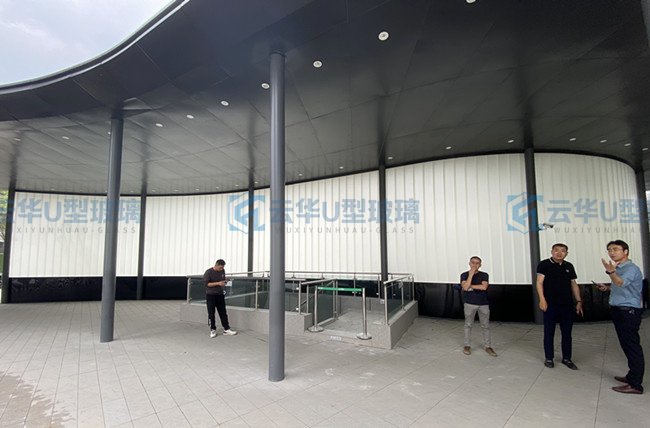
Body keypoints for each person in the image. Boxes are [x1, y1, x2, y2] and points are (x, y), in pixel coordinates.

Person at [596, 240, 644, 394]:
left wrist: (611, 273)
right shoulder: (620, 268)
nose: (611, 253)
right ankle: (631, 376)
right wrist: (607, 287)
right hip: (620, 310)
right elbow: (620, 286)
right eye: (609, 250)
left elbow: (621, 283)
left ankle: (636, 385)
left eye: (615, 249)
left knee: (632, 347)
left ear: (626, 251)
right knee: (626, 345)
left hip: (628, 311)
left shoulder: (630, 268)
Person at [536, 243, 583, 369]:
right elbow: (539, 283)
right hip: (550, 304)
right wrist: (542, 300)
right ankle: (549, 358)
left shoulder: (569, 266)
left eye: (563, 251)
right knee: (549, 331)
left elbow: (573, 284)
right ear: (552, 252)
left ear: (566, 253)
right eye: (556, 250)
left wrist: (579, 301)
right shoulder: (544, 264)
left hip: (567, 305)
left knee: (567, 333)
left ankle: (567, 358)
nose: (559, 253)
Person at [460, 256, 497, 357]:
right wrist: (471, 275)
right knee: (468, 324)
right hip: (469, 303)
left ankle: (488, 346)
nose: (474, 265)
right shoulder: (464, 275)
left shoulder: (484, 275)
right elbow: (465, 287)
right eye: (473, 262)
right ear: (469, 263)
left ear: (480, 265)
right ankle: (467, 345)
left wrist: (470, 286)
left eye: (477, 263)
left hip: (483, 304)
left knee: (485, 325)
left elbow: (484, 287)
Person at [203, 259, 237, 338]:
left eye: (222, 268)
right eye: (220, 267)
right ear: (216, 265)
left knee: (223, 312)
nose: (221, 269)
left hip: (220, 294)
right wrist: (218, 283)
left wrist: (224, 283)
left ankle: (226, 328)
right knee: (211, 313)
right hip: (211, 295)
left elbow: (222, 279)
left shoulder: (222, 271)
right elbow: (207, 284)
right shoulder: (208, 272)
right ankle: (212, 329)